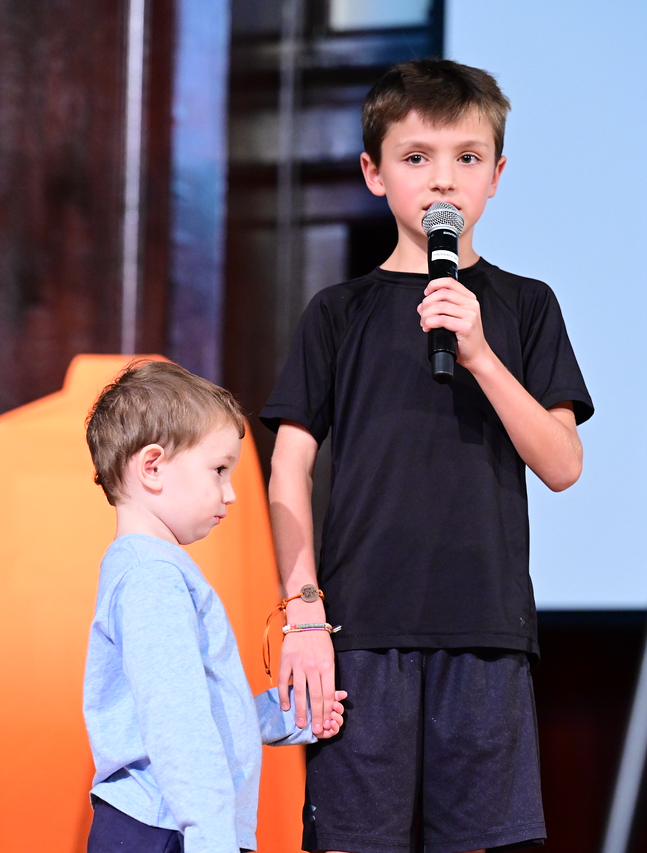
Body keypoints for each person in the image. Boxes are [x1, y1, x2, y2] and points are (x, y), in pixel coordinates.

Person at [261, 59, 594, 853]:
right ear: (374, 172)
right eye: (417, 158)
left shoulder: (525, 307)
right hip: (362, 626)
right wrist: (303, 607)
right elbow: (286, 464)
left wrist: (480, 353)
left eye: (467, 159)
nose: (443, 180)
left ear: (497, 175)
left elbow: (562, 462)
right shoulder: (338, 312)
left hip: (484, 626)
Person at [82, 359, 347, 853]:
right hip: (170, 830)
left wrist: (281, 716)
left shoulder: (153, 571)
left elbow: (194, 705)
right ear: (153, 466)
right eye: (219, 470)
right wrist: (211, 839)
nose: (230, 494)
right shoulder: (152, 579)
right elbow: (176, 724)